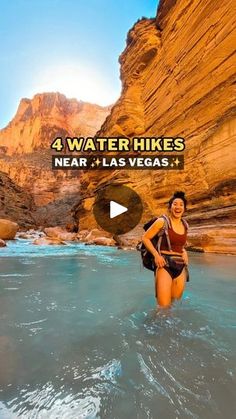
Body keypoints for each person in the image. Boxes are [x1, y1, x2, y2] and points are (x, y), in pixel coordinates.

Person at [142, 191, 189, 308]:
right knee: (163, 308)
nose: (178, 207)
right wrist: (156, 256)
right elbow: (145, 238)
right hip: (164, 264)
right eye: (175, 204)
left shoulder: (185, 225)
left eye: (181, 204)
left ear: (184, 208)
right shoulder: (162, 222)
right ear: (170, 207)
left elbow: (179, 245)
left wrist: (184, 251)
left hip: (180, 266)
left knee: (173, 304)